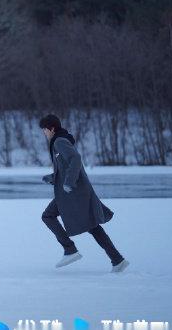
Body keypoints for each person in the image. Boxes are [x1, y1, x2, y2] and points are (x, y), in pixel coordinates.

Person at [38, 114, 129, 273]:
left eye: (45, 130)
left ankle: (70, 249)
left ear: (52, 128)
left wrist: (68, 182)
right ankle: (117, 259)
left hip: (72, 192)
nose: (44, 133)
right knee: (92, 226)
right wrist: (54, 177)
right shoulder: (60, 140)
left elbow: (75, 159)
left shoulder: (59, 141)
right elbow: (67, 166)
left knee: (48, 216)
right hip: (75, 192)